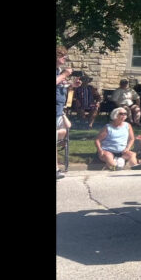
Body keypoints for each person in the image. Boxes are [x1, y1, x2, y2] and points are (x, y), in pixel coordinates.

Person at [57, 46, 81, 180]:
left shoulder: (58, 71)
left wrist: (72, 85)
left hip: (59, 108)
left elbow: (60, 86)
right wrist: (65, 74)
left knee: (66, 128)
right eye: (63, 56)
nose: (65, 58)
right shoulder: (60, 72)